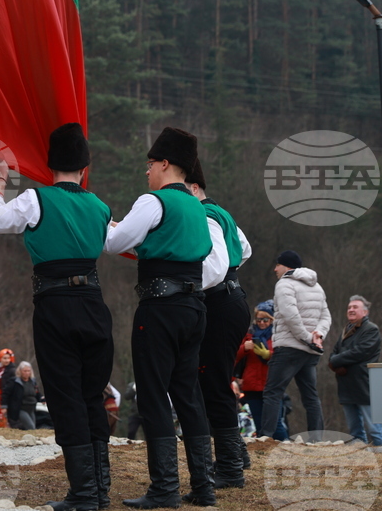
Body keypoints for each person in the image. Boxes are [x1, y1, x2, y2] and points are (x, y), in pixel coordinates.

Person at [0, 123, 114, 511]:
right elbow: (117, 240)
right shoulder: (100, 206)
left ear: (49, 163)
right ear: (85, 166)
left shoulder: (36, 200)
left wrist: (1, 181)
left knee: (65, 395)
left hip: (55, 304)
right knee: (92, 394)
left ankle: (85, 493)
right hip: (94, 302)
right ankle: (100, 490)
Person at [104, 127, 218, 509]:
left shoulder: (153, 202)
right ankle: (204, 487)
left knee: (153, 395)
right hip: (194, 306)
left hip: (160, 308)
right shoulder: (197, 207)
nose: (147, 171)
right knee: (188, 397)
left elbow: (115, 243)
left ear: (165, 164)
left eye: (150, 164)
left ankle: (165, 489)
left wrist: (105, 222)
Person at [184, 159, 253, 491]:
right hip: (232, 300)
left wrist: (183, 279)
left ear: (194, 188)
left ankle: (230, 467)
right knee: (216, 379)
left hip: (221, 303)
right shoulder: (221, 212)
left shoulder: (204, 215)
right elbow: (245, 248)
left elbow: (214, 268)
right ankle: (236, 454)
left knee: (213, 382)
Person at [259, 250, 332, 443]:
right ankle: (316, 438)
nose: (275, 269)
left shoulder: (284, 284)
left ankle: (266, 437)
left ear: (286, 266)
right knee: (310, 396)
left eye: (278, 265)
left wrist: (307, 337)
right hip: (310, 351)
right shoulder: (317, 286)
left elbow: (290, 315)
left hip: (289, 348)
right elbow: (326, 317)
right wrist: (318, 335)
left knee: (272, 391)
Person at [329, 295, 382, 445]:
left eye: (355, 307)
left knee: (374, 429)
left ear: (365, 312)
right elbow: (334, 351)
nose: (351, 310)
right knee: (354, 430)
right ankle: (361, 458)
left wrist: (334, 361)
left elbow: (360, 352)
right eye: (349, 307)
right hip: (346, 385)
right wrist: (333, 360)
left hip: (364, 385)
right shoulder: (346, 330)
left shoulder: (371, 329)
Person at [235, 301, 287, 440]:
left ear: (272, 320)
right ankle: (264, 454)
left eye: (265, 320)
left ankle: (285, 449)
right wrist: (244, 348)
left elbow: (284, 357)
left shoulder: (278, 335)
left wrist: (268, 354)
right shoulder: (249, 335)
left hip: (272, 385)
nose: (262, 323)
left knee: (276, 425)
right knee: (259, 425)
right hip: (251, 385)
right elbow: (234, 357)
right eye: (259, 319)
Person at [4, 362, 42, 430]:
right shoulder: (14, 382)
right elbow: (6, 393)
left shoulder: (33, 382)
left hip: (31, 408)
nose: (27, 373)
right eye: (25, 371)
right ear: (20, 371)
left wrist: (42, 398)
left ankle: (29, 439)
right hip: (21, 408)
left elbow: (37, 393)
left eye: (28, 371)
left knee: (33, 427)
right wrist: (4, 406)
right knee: (31, 427)